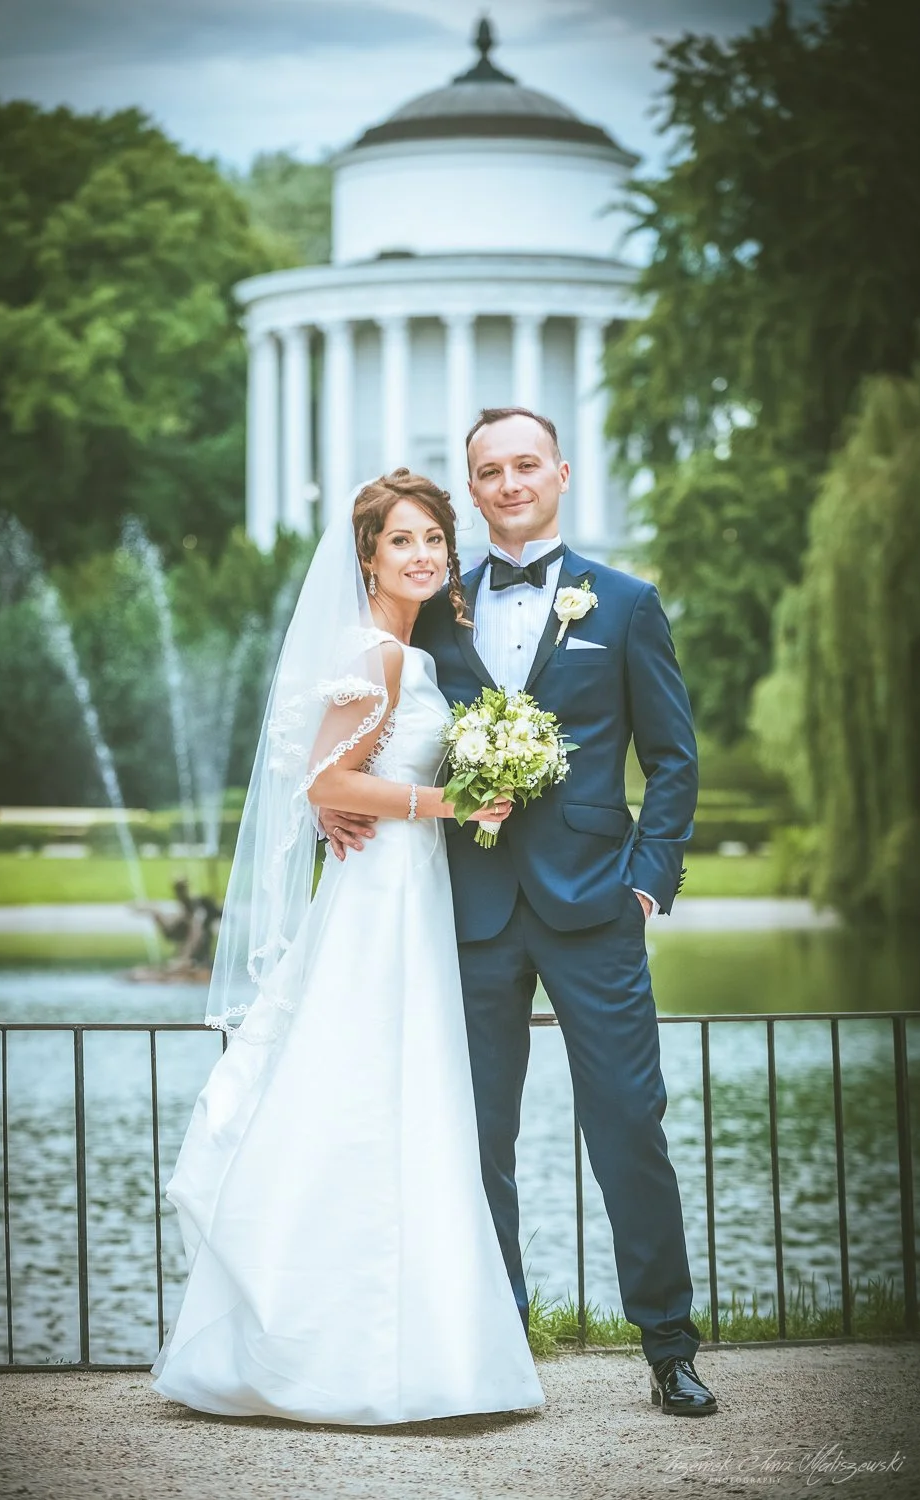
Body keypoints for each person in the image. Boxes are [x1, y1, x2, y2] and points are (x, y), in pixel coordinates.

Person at [324, 408, 718, 1418]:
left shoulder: (625, 603)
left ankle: (669, 1344)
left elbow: (672, 760)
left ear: (560, 473)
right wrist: (337, 807)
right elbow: (359, 731)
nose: (507, 484)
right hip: (467, 906)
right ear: (474, 488)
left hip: (597, 906)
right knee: (477, 1135)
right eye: (488, 472)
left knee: (630, 1122)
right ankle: (499, 1337)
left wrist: (646, 881)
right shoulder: (433, 606)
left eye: (524, 466)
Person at [150, 469, 545, 1424]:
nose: (420, 555)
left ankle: (407, 1347)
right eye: (400, 540)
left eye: (432, 541)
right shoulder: (385, 657)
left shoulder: (410, 654)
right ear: (366, 555)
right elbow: (326, 781)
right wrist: (444, 801)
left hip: (404, 888)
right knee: (370, 1087)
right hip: (382, 898)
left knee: (398, 1095)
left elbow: (326, 772)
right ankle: (341, 1348)